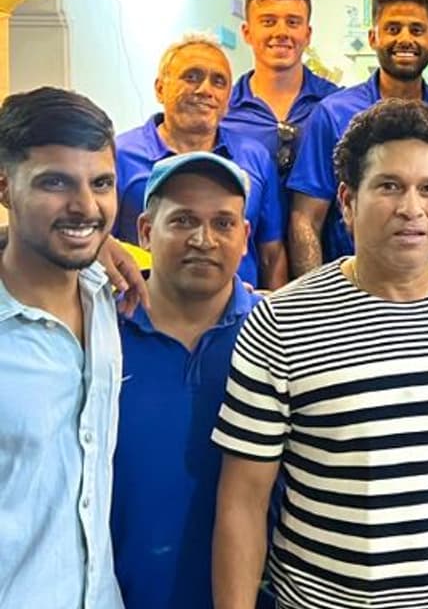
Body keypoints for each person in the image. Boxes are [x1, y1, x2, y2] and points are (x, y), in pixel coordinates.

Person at [212, 99, 428, 609]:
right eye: (389, 186)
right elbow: (243, 501)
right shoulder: (282, 322)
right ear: (347, 201)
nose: (412, 208)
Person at [110, 152, 262, 609]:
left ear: (245, 237)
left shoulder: (278, 335)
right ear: (144, 232)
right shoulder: (96, 331)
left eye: (223, 223)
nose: (203, 239)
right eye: (183, 221)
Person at [0, 87, 124, 608]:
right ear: (5, 188)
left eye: (101, 183)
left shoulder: (107, 292)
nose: (86, 207)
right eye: (55, 182)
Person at [289, 0, 428, 275]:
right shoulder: (333, 114)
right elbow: (306, 218)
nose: (405, 39)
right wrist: (315, 292)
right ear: (373, 38)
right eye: (393, 29)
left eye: (416, 30)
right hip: (353, 285)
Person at [114, 34, 287, 289]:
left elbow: (271, 253)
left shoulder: (255, 157)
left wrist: (276, 308)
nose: (205, 90)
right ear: (160, 89)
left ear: (228, 100)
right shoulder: (119, 155)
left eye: (218, 82)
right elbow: (100, 245)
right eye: (192, 77)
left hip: (240, 309)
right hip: (148, 307)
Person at [222, 0, 339, 181]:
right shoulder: (222, 111)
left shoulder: (336, 106)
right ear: (247, 33)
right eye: (268, 22)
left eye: (293, 22)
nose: (281, 32)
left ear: (307, 34)